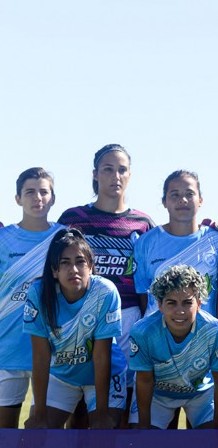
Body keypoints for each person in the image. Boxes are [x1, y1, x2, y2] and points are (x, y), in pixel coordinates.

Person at [57, 144, 155, 426]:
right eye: (108, 169)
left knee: (120, 403)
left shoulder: (143, 223)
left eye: (122, 169)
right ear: (95, 174)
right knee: (81, 402)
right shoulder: (73, 219)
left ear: (130, 175)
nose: (116, 176)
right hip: (82, 320)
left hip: (128, 319)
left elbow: (149, 278)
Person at [23, 229, 126, 429]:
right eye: (65, 263)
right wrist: (40, 414)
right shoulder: (38, 293)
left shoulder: (105, 291)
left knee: (102, 432)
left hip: (102, 374)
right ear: (54, 270)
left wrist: (102, 413)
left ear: (91, 266)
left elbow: (101, 356)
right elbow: (41, 356)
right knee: (36, 433)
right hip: (62, 375)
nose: (74, 269)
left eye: (80, 261)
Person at [128, 265, 218, 429]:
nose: (180, 311)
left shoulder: (215, 330)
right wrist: (144, 430)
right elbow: (144, 380)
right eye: (171, 303)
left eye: (187, 303)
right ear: (160, 305)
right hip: (158, 395)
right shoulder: (143, 331)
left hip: (201, 393)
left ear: (199, 303)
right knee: (142, 444)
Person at [0, 168, 64, 428]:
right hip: (9, 348)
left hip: (55, 349)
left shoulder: (65, 237)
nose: (37, 197)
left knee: (47, 433)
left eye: (43, 192)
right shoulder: (4, 238)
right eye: (30, 192)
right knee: (4, 433)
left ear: (52, 198)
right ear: (18, 198)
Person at [133, 170, 218, 317]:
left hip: (205, 335)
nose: (183, 199)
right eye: (175, 194)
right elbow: (142, 294)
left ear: (200, 200)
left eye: (189, 194)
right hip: (157, 335)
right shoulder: (145, 242)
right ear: (164, 201)